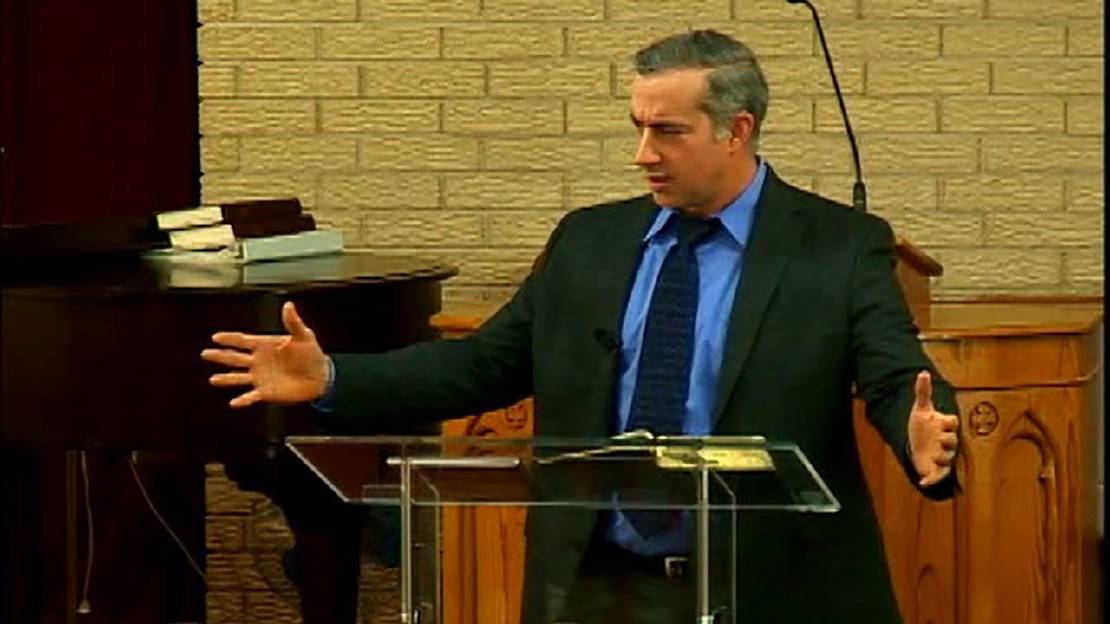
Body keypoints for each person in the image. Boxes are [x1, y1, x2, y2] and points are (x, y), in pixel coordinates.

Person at [202, 30, 960, 624]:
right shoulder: (589, 242)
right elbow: (482, 365)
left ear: (737, 130)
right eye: (638, 127)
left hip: (773, 591)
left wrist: (921, 433)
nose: (643, 154)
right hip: (599, 591)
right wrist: (334, 377)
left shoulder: (837, 246)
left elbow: (898, 375)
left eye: (668, 132)